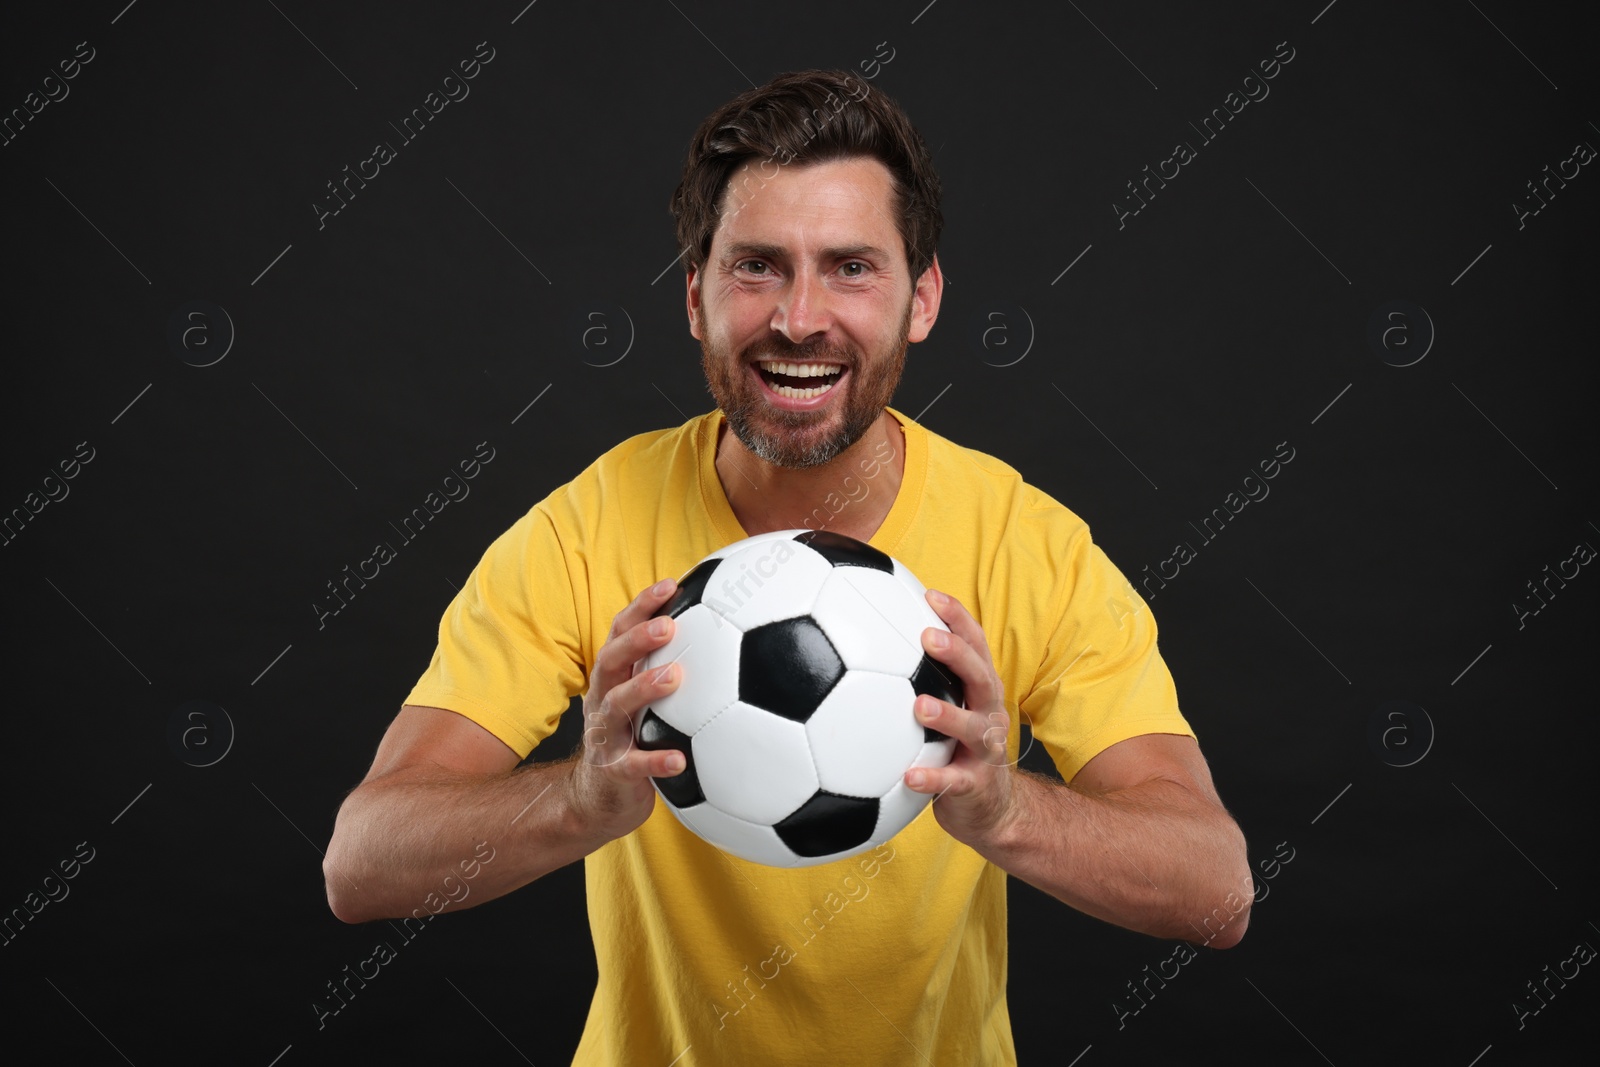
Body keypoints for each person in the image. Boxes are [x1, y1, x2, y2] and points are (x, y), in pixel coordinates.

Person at [323, 68, 1251, 1064]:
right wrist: (577, 798)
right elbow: (361, 863)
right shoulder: (584, 530)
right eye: (756, 266)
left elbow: (1215, 885)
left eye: (851, 267)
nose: (800, 317)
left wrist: (1007, 807)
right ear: (694, 296)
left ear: (922, 298)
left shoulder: (1025, 543)